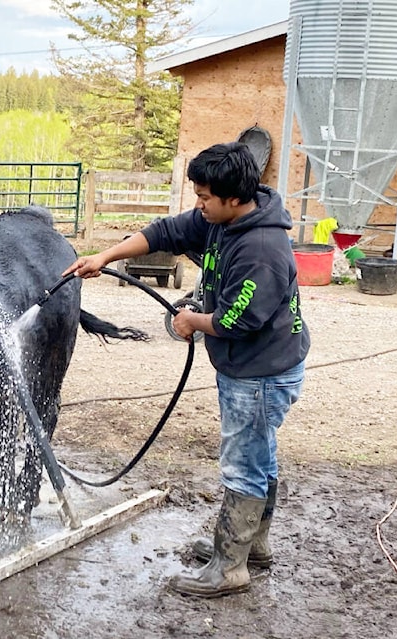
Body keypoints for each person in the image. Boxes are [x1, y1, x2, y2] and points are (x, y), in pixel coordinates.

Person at [62, 142, 310, 598]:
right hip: (253, 367)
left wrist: (193, 321)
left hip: (260, 374)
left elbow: (240, 319)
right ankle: (251, 547)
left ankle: (229, 567)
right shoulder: (224, 217)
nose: (198, 205)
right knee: (259, 455)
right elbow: (165, 232)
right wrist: (104, 257)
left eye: (204, 198)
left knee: (243, 463)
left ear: (234, 197)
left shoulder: (260, 247)